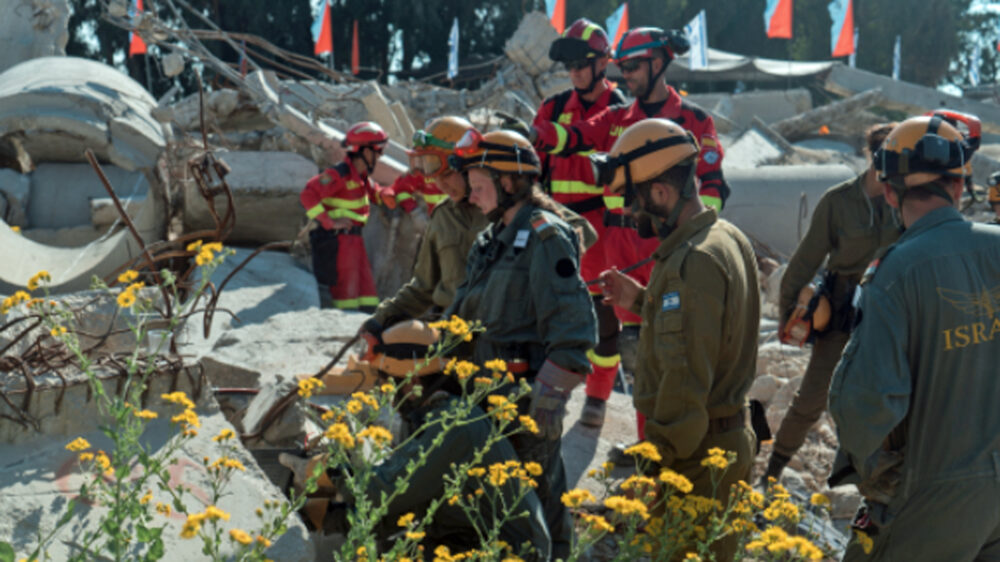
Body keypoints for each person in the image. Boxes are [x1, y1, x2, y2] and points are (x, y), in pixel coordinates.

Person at [532, 26, 731, 449]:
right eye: (622, 67)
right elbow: (581, 134)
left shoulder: (695, 120)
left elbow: (713, 189)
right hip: (620, 254)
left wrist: (693, 241)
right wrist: (546, 136)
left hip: (667, 256)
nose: (626, 75)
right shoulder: (620, 116)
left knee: (662, 357)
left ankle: (669, 450)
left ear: (660, 63)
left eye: (634, 66)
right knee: (635, 355)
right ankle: (648, 449)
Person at [828, 114, 1000, 561]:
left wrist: (876, 479)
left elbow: (867, 403)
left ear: (889, 192)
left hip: (931, 495)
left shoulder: (895, 272)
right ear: (961, 186)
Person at [598, 119, 759, 559]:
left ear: (662, 193)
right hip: (720, 446)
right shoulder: (726, 238)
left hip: (695, 459)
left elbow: (686, 377)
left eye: (634, 200)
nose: (629, 212)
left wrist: (651, 466)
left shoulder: (692, 263)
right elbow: (707, 329)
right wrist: (644, 300)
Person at [444, 129, 597, 559]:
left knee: (538, 508)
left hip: (524, 404)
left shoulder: (547, 238)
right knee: (494, 512)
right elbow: (460, 320)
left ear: (509, 182)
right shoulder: (489, 242)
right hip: (479, 401)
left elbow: (573, 334)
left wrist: (545, 406)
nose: (471, 197)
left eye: (478, 186)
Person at [280, 320, 551, 559]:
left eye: (390, 384)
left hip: (513, 553)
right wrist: (333, 519)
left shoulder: (453, 424)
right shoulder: (438, 415)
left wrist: (331, 471)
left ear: (410, 383)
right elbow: (411, 506)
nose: (388, 395)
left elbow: (387, 491)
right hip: (469, 536)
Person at [761, 123, 902, 483]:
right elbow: (805, 261)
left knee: (885, 400)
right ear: (870, 155)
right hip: (840, 312)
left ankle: (866, 479)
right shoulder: (838, 202)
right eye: (886, 153)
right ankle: (773, 471)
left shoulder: (906, 201)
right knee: (812, 398)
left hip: (888, 311)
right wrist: (789, 315)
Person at [536, 18, 629, 429]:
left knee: (605, 321)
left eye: (581, 64)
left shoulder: (624, 108)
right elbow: (536, 173)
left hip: (605, 230)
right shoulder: (553, 108)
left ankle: (598, 396)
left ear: (602, 63)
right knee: (545, 313)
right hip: (556, 226)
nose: (573, 72)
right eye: (569, 66)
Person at [364, 116, 489, 335]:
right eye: (435, 177)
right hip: (453, 336)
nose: (441, 184)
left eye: (448, 174)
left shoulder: (508, 213)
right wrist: (378, 322)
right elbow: (423, 288)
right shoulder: (442, 217)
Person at [300, 121, 389, 311]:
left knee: (366, 290)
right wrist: (329, 222)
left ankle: (367, 322)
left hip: (355, 241)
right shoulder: (339, 174)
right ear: (364, 151)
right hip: (340, 242)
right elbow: (308, 194)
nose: (380, 156)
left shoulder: (361, 177)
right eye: (378, 151)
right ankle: (342, 329)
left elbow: (379, 194)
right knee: (345, 291)